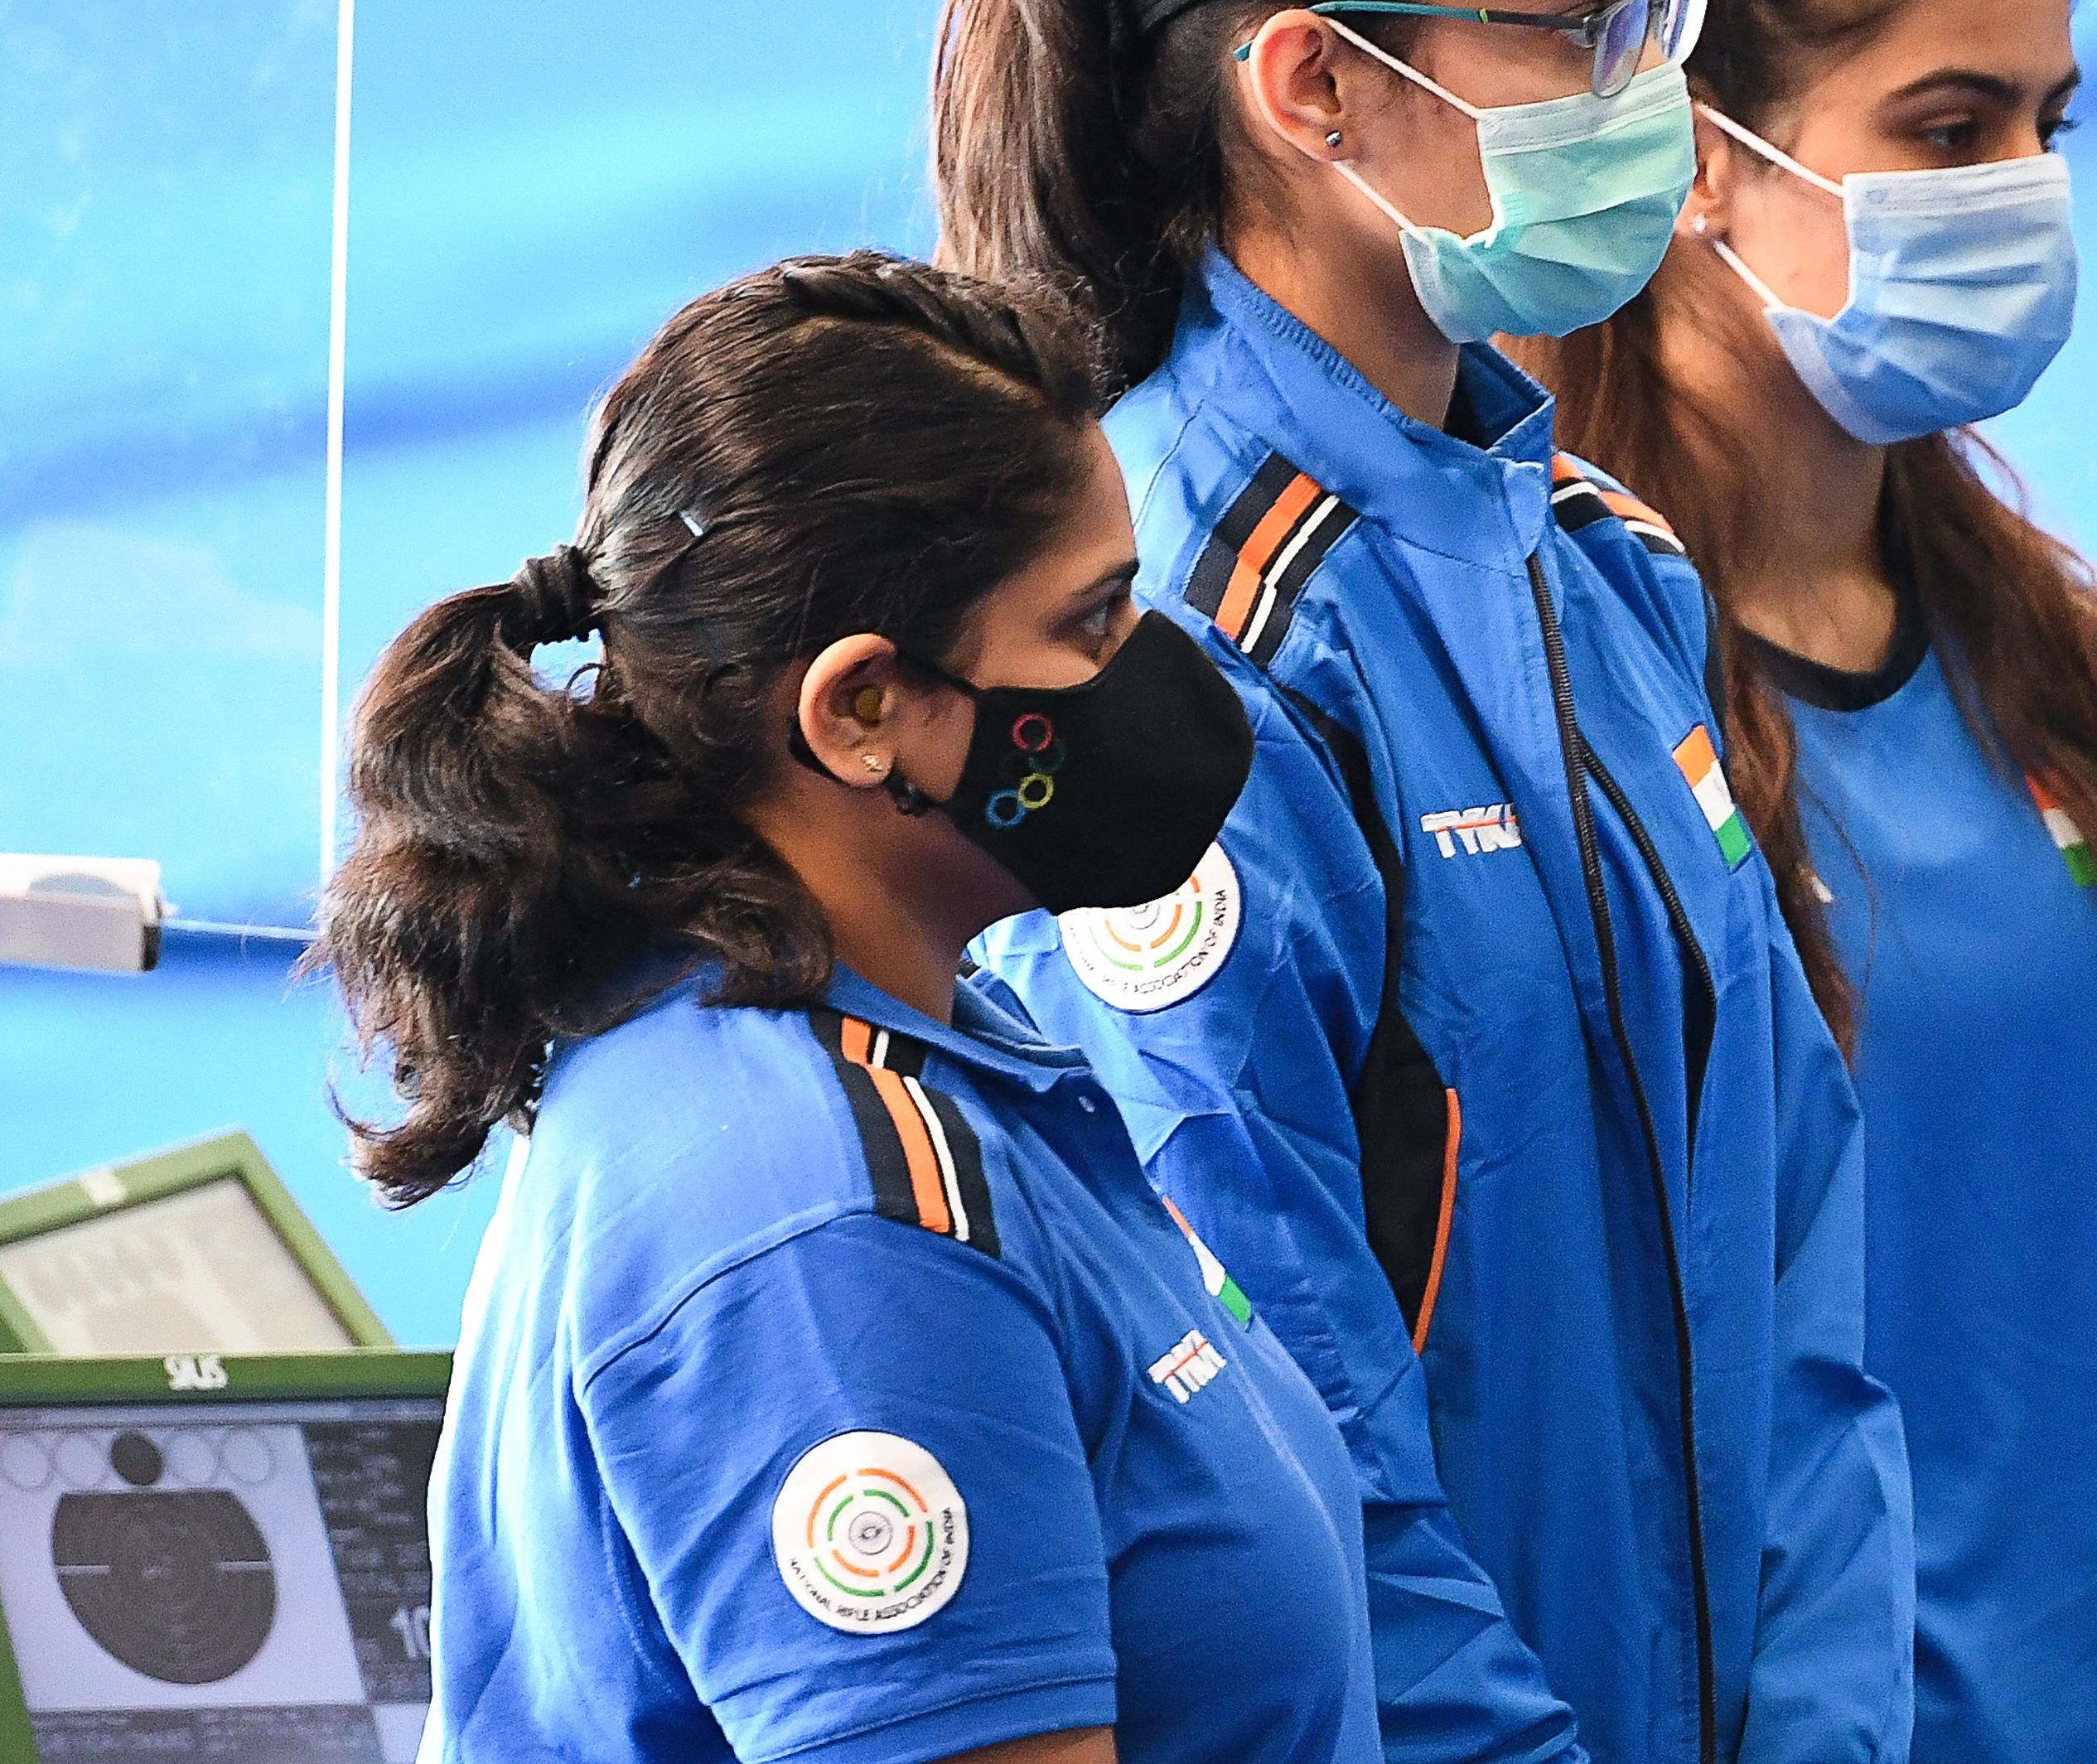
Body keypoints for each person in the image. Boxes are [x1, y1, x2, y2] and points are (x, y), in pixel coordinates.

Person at [932, 0, 1911, 1764]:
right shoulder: (1171, 649)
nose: (1646, 94)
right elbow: (1277, 1424)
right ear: (1315, 87)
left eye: (1659, 16)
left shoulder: (1598, 560)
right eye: (1578, 23)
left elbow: (1803, 1251)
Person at [1519, 0, 2097, 1764]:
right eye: (1952, 129)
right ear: (1698, 156)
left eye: (2053, 120)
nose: (2028, 193)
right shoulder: (1543, 718)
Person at [320, 254, 1383, 1764]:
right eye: (1090, 625)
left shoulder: (915, 1050)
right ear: (862, 712)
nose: (1154, 669)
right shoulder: (832, 1236)